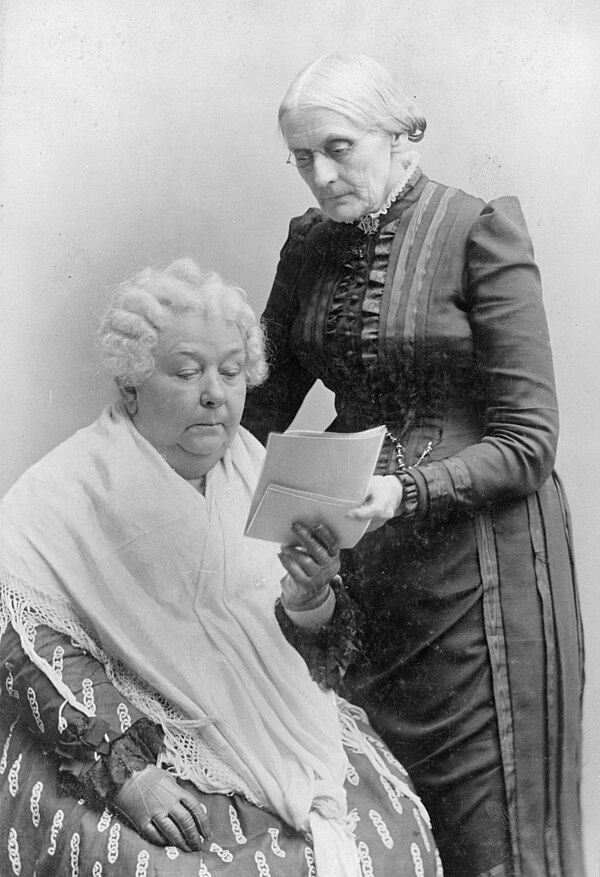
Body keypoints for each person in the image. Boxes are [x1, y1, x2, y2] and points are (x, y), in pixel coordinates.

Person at [241, 52, 585, 877]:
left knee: (492, 846)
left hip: (482, 587)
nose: (320, 176)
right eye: (301, 157)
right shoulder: (309, 246)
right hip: (364, 578)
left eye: (339, 148)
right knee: (381, 837)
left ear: (407, 138)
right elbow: (260, 407)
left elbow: (531, 438)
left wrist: (406, 489)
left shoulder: (478, 230)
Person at [0, 259, 440, 877]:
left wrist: (310, 596)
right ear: (131, 385)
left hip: (278, 722)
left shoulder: (256, 471)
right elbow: (26, 645)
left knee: (390, 837)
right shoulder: (61, 492)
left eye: (231, 372)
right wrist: (130, 774)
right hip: (127, 733)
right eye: (186, 372)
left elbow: (317, 655)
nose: (215, 393)